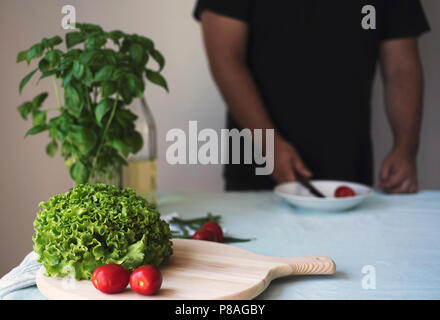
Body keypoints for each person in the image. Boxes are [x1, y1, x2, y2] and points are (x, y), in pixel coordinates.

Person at [193, 0, 430, 193]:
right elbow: (226, 58)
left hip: (348, 172)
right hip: (257, 169)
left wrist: (405, 148)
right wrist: (269, 144)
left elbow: (401, 67)